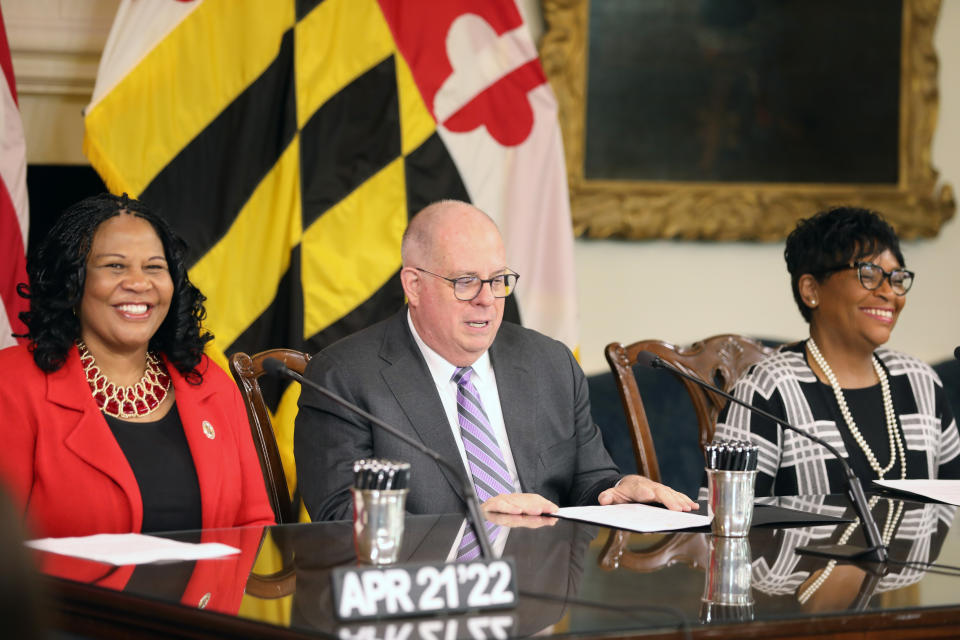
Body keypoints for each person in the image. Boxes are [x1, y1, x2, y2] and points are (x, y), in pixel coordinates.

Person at [295, 199, 696, 521]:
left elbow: (588, 480)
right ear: (414, 286)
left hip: (536, 594)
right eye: (466, 282)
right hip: (419, 604)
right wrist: (471, 522)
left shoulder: (549, 363)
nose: (487, 299)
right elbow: (339, 518)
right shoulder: (344, 378)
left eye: (498, 280)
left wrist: (617, 490)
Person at [0, 193, 274, 538]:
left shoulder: (210, 384)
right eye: (115, 266)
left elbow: (254, 527)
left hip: (207, 593)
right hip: (68, 594)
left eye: (154, 267)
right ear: (74, 280)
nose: (139, 283)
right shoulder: (12, 384)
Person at [714, 207, 960, 496]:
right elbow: (724, 518)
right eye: (869, 274)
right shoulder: (769, 389)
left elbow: (954, 504)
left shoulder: (921, 383)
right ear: (811, 290)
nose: (889, 293)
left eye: (896, 279)